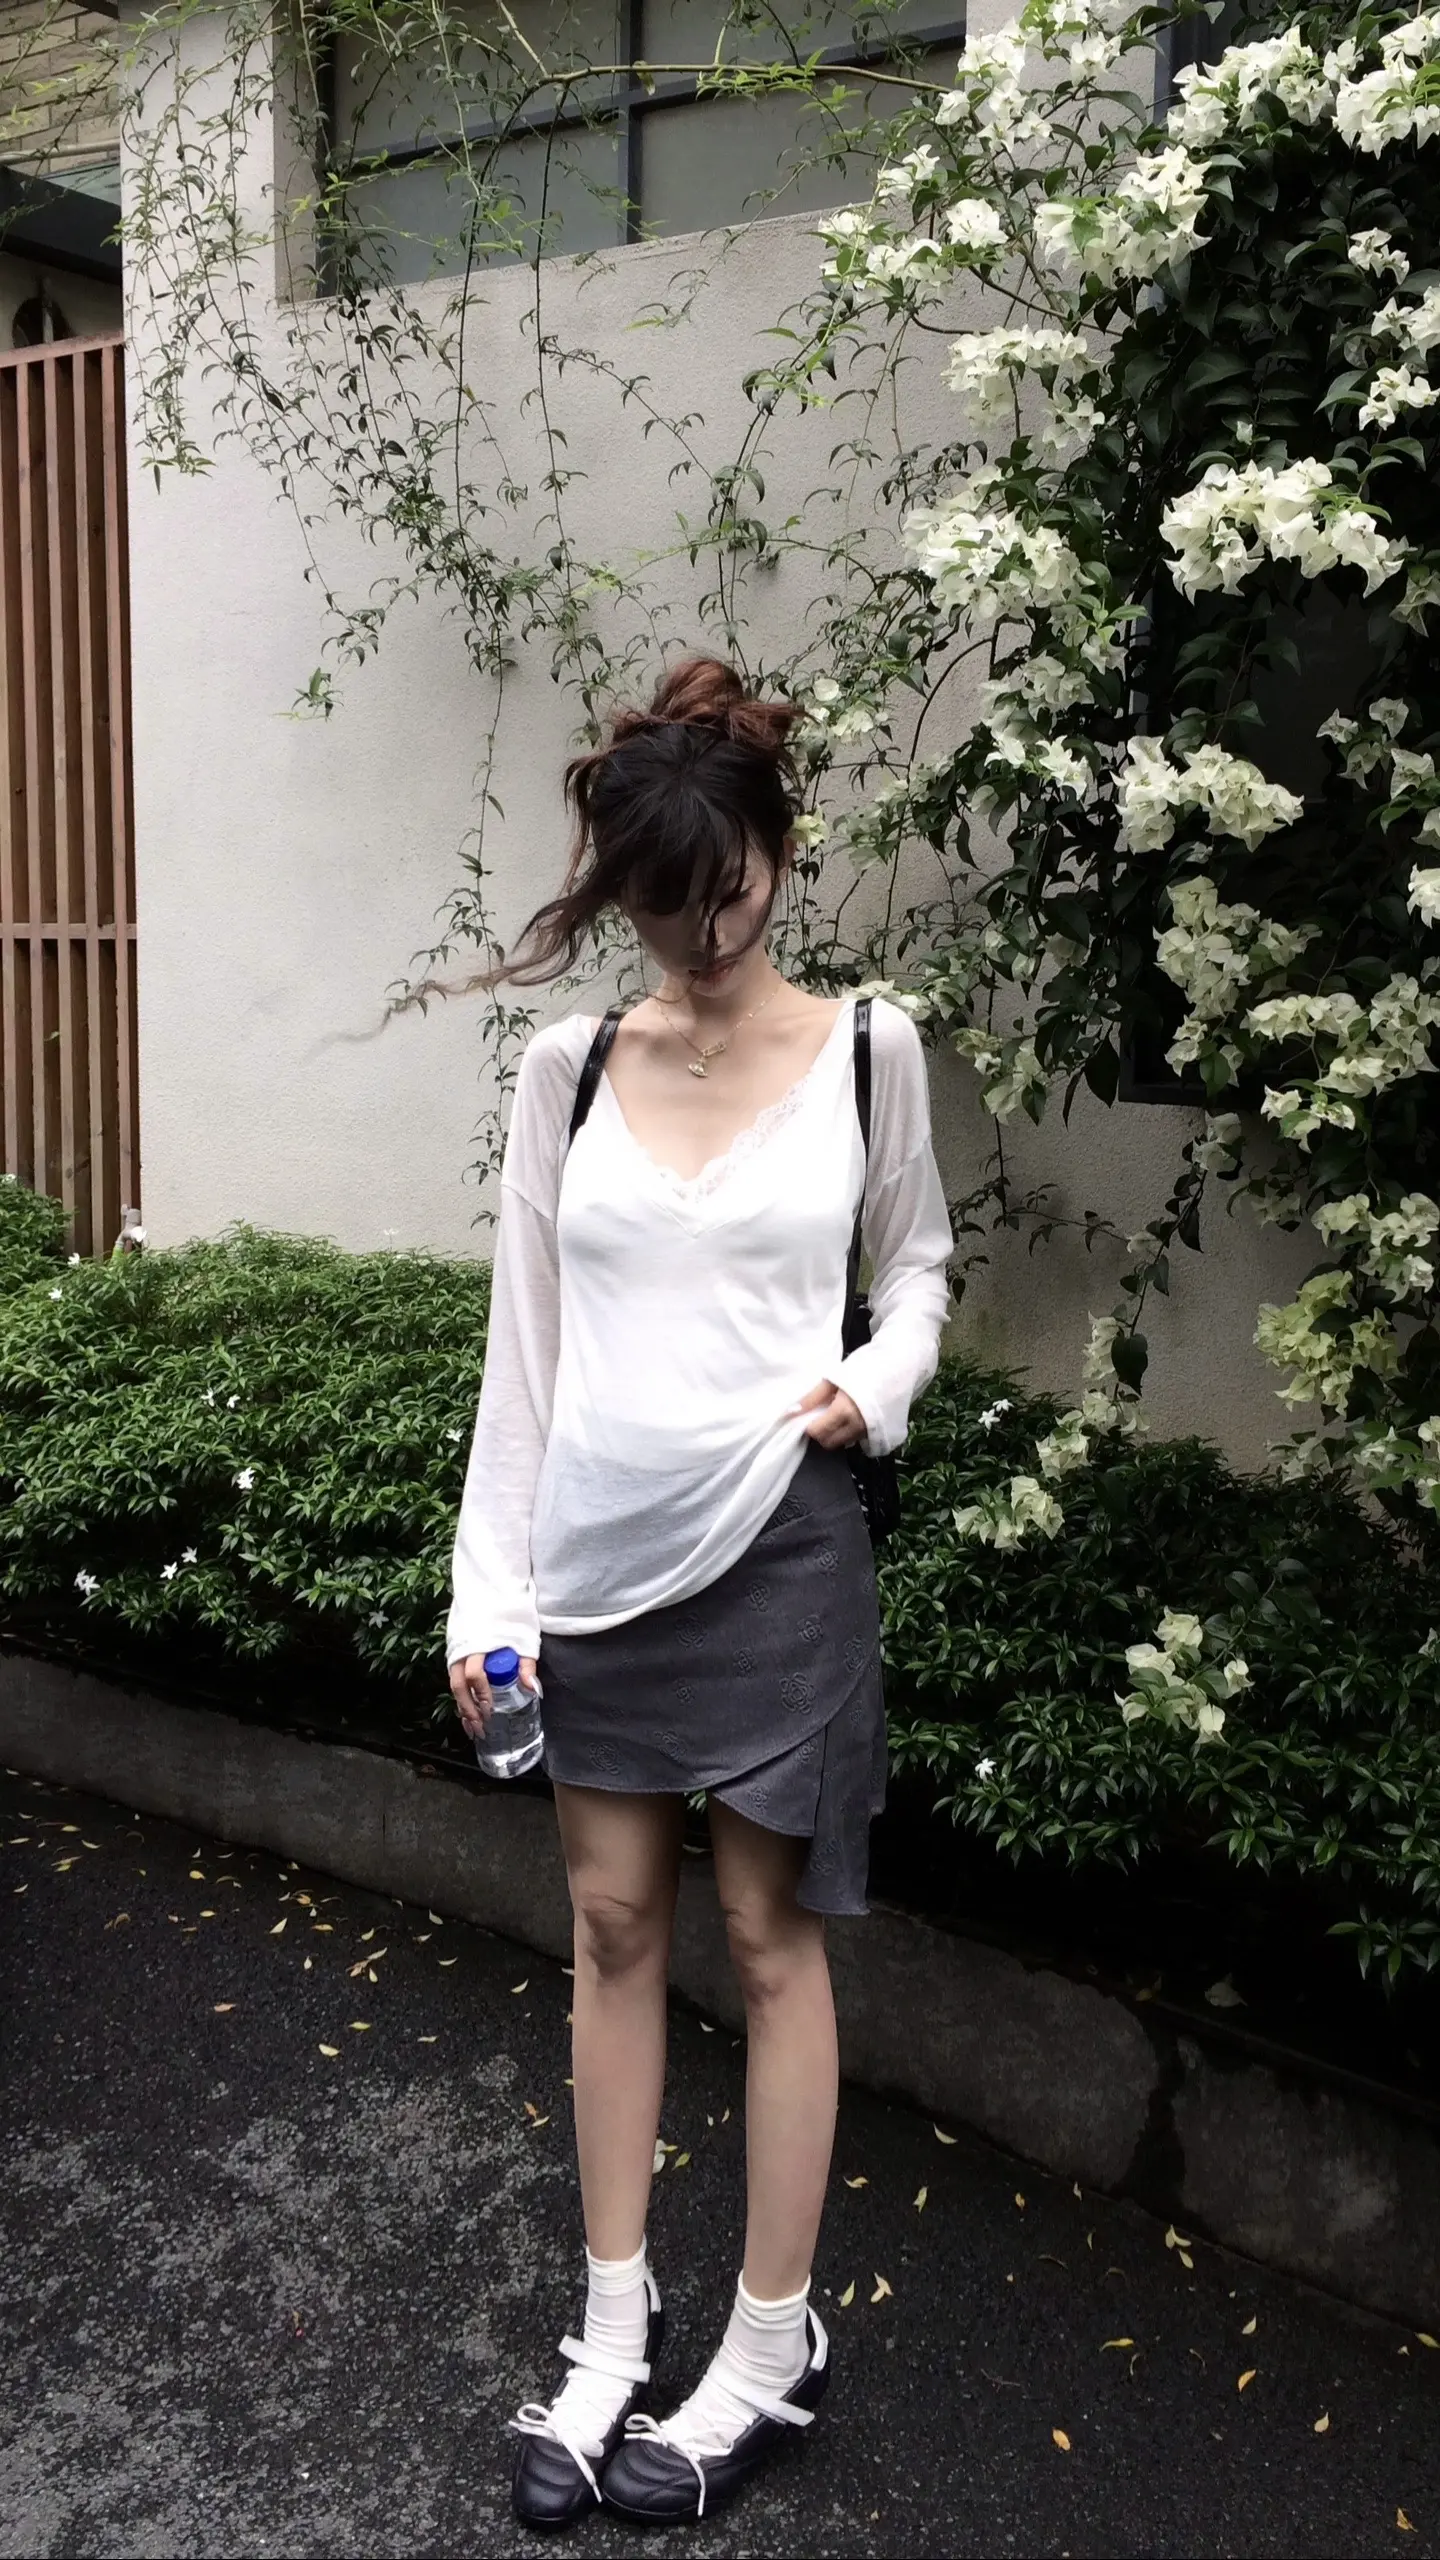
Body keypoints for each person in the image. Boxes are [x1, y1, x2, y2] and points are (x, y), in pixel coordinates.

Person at [447, 655, 953, 2530]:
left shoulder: (872, 1049)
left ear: (778, 853)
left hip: (782, 1550)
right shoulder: (569, 1069)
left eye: (730, 890)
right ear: (625, 897)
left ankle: (765, 2343)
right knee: (608, 1930)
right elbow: (523, 1352)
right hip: (596, 1563)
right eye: (667, 907)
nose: (707, 935)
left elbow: (921, 1269)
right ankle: (609, 2330)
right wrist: (487, 1599)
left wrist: (876, 1384)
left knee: (767, 1939)